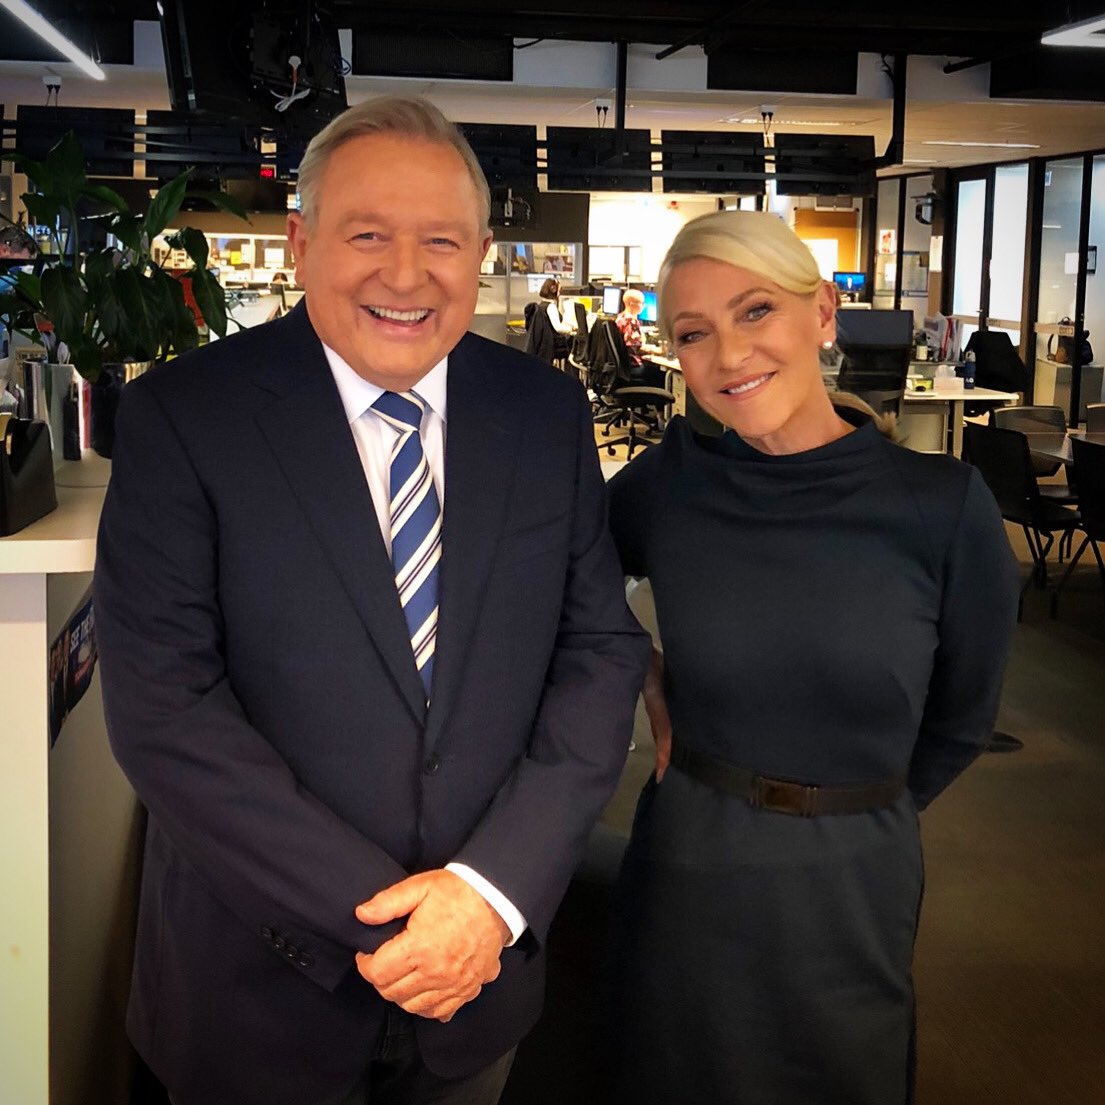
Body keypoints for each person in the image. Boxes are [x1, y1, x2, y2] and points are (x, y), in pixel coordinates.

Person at [94, 95, 650, 1105]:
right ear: (301, 243)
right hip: (254, 988)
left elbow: (599, 653)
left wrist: (485, 897)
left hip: (477, 985)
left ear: (480, 253)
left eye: (440, 239)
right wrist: (405, 923)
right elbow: (165, 711)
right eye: (366, 235)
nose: (405, 274)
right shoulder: (185, 416)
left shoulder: (543, 414)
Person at [605, 210, 1019, 1105]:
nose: (729, 354)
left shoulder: (940, 505)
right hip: (691, 857)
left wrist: (856, 808)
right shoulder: (674, 484)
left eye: (755, 311)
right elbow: (555, 577)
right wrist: (634, 659)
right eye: (693, 333)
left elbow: (961, 720)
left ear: (822, 313)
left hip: (854, 872)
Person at [613, 288, 645, 365]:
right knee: (658, 370)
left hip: (623, 364)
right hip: (632, 364)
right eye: (641, 303)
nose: (643, 306)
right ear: (631, 303)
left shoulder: (620, 317)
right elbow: (634, 348)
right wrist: (656, 351)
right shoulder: (631, 321)